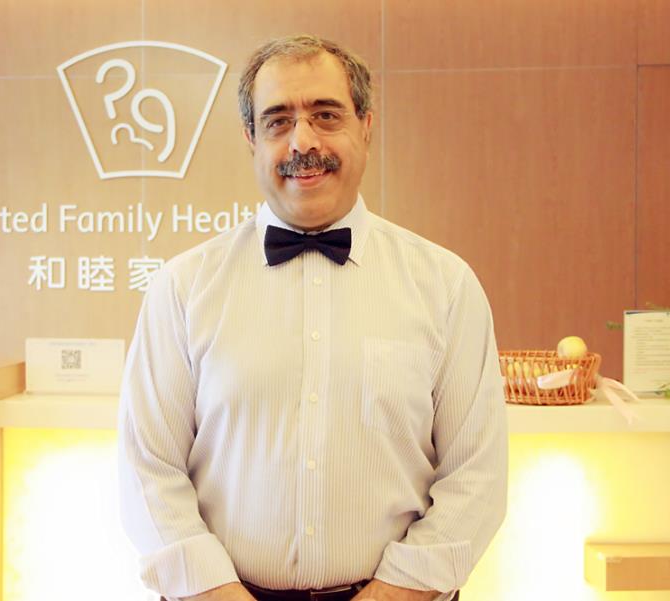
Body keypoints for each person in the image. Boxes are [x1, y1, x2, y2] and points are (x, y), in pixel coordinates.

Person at [118, 34, 507, 601]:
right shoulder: (182, 288)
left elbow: (477, 474)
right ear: (251, 139)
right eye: (278, 121)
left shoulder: (446, 286)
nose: (303, 141)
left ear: (365, 126)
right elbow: (147, 471)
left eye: (326, 115)